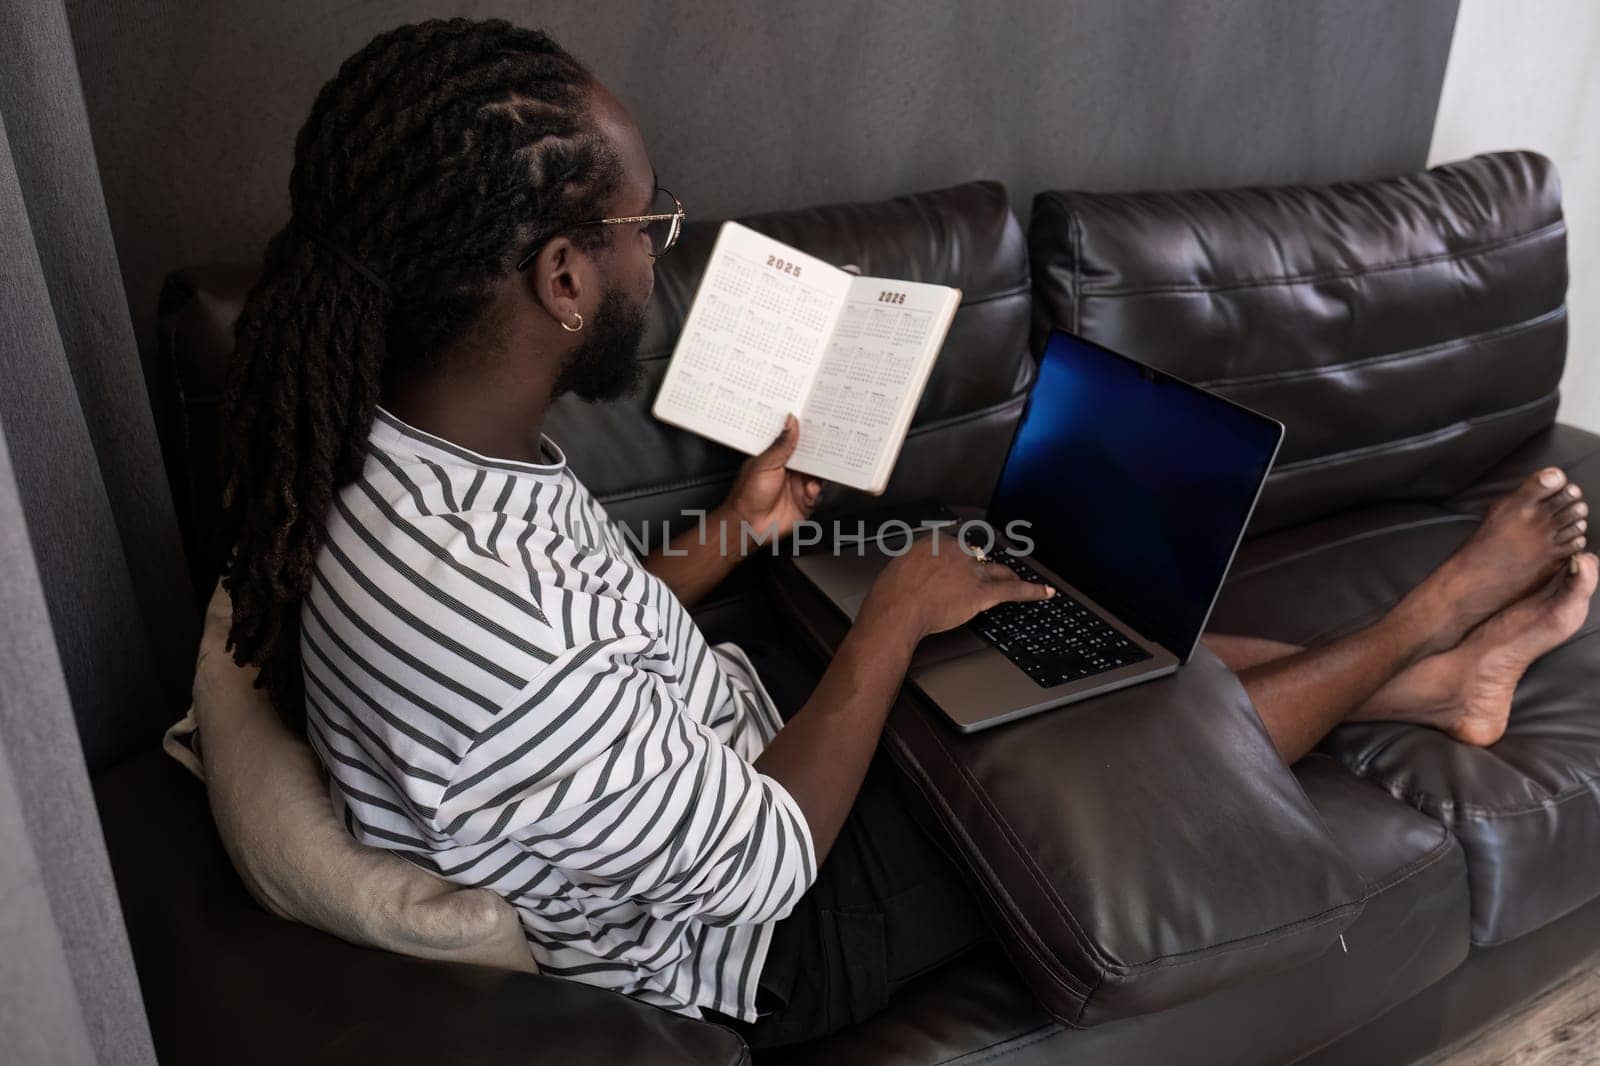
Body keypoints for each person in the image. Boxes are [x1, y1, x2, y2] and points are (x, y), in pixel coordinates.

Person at [216, 18, 1596, 1048]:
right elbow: (763, 851)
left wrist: (731, 536)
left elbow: (591, 634)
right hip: (766, 926)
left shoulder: (413, 462)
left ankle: (1427, 682)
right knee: (1099, 711)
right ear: (563, 277)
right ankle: (1423, 628)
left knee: (1058, 629)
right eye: (649, 223)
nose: (659, 251)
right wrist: (888, 620)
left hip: (720, 743)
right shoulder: (465, 611)